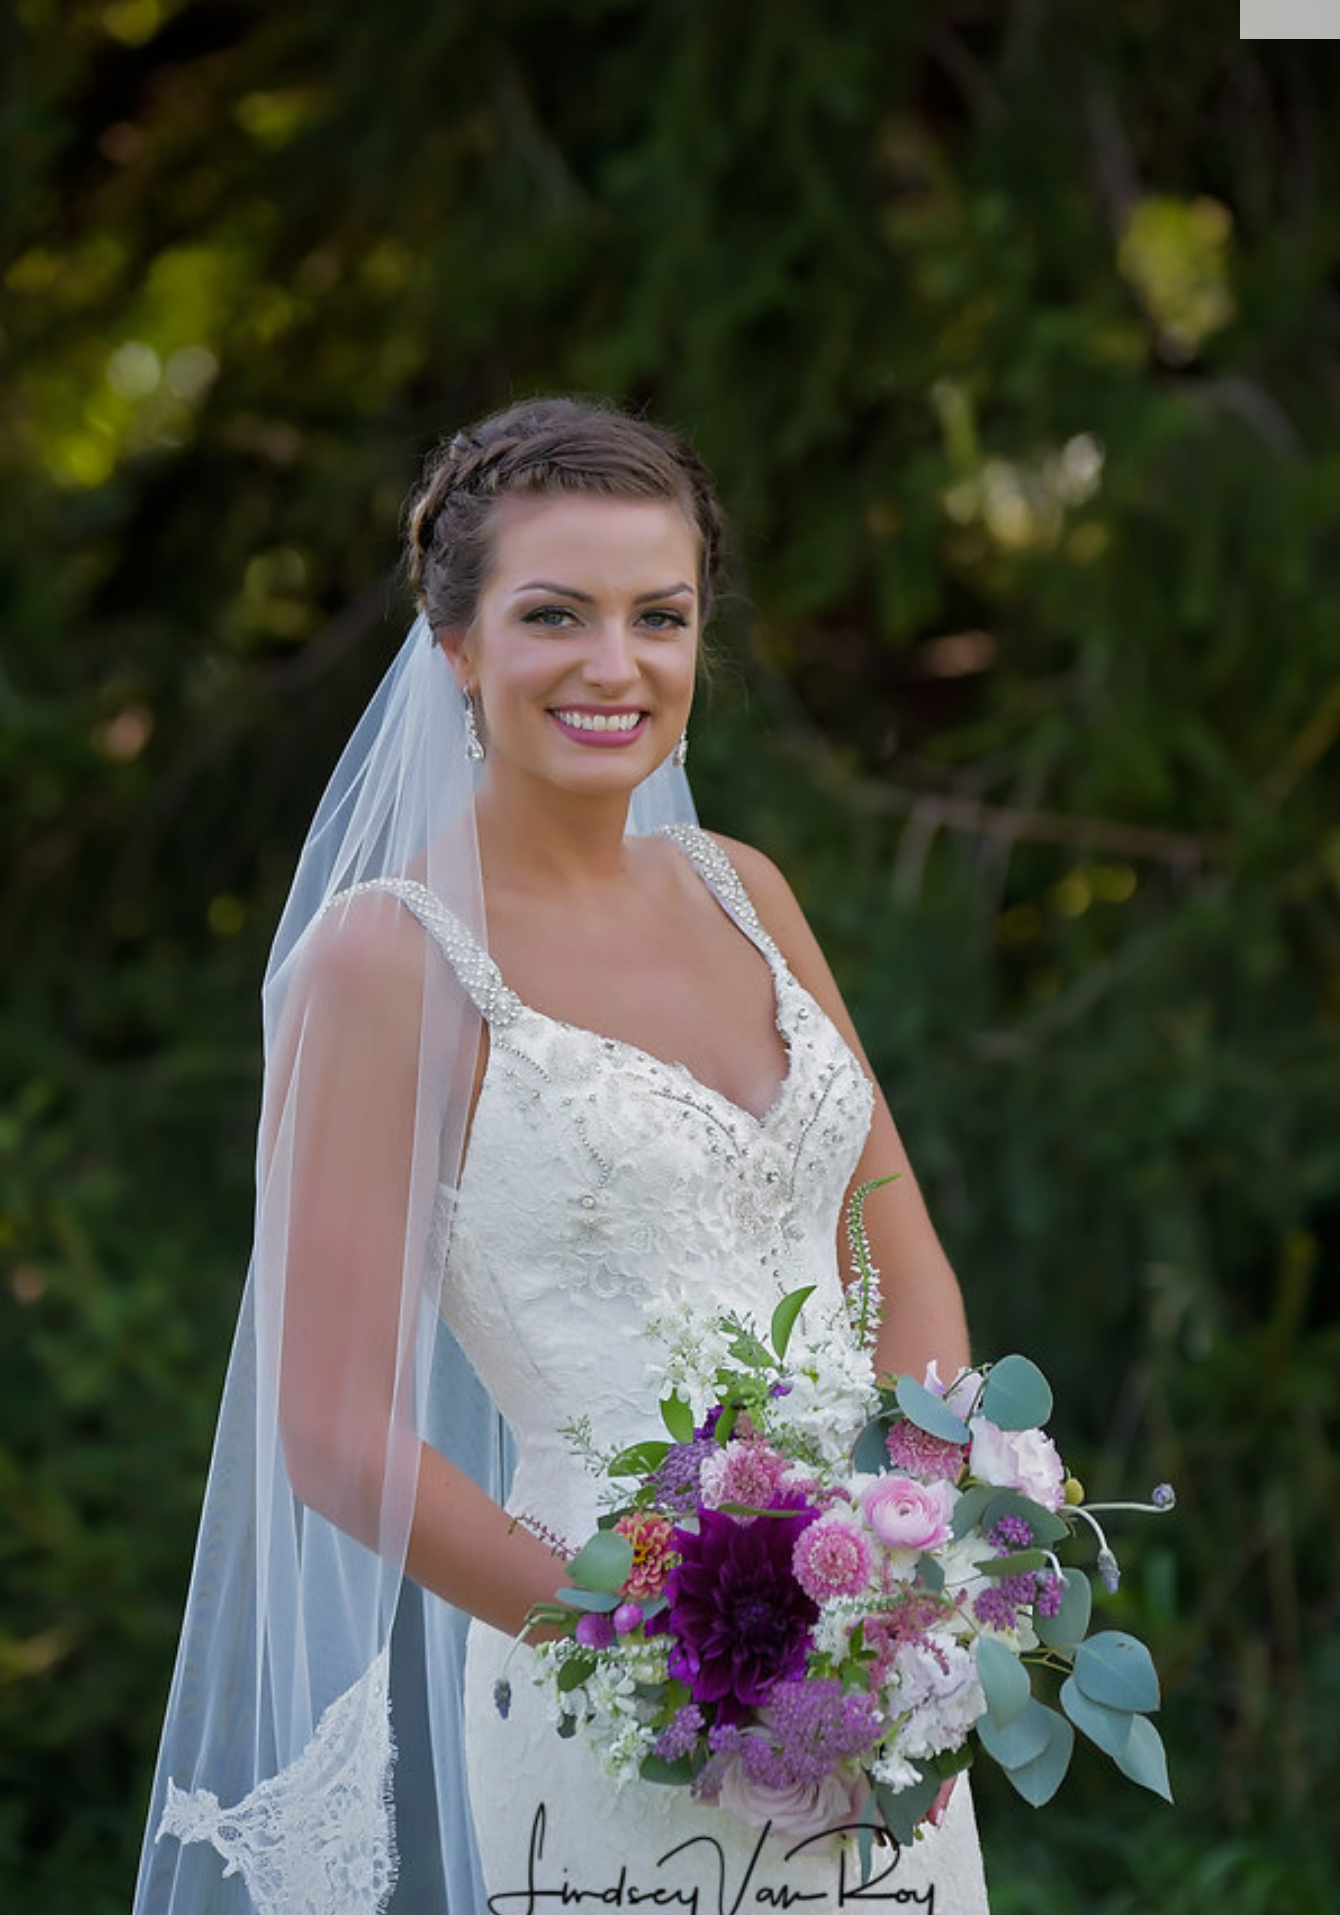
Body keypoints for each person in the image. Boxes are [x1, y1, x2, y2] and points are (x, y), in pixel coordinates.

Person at [134, 397, 990, 1914]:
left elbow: (896, 1254)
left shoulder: (746, 890)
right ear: (456, 645)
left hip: (877, 1696)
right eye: (554, 615)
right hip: (622, 1708)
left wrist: (913, 1579)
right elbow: (336, 1431)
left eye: (659, 616)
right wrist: (677, 1655)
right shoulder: (387, 961)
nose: (616, 664)